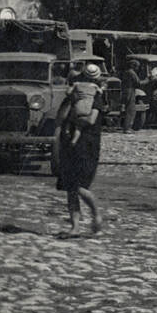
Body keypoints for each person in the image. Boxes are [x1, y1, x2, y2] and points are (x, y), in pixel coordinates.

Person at [55, 81, 106, 235]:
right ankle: (75, 226)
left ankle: (96, 216)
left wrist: (72, 120)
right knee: (70, 188)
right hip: (69, 145)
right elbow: (59, 118)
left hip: (87, 146)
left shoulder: (97, 99)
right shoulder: (71, 100)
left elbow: (91, 120)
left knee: (80, 186)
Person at [62, 63, 103, 145]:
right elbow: (100, 93)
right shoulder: (95, 86)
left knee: (70, 120)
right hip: (89, 110)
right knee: (79, 128)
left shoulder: (76, 83)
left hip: (77, 108)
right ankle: (74, 140)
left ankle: (67, 131)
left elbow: (68, 93)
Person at [121, 59, 141, 134]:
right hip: (130, 91)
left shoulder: (126, 72)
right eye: (137, 66)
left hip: (126, 91)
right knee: (130, 110)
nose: (138, 68)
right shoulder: (132, 73)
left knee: (129, 109)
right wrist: (147, 80)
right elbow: (138, 83)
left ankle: (127, 127)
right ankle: (127, 128)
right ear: (133, 66)